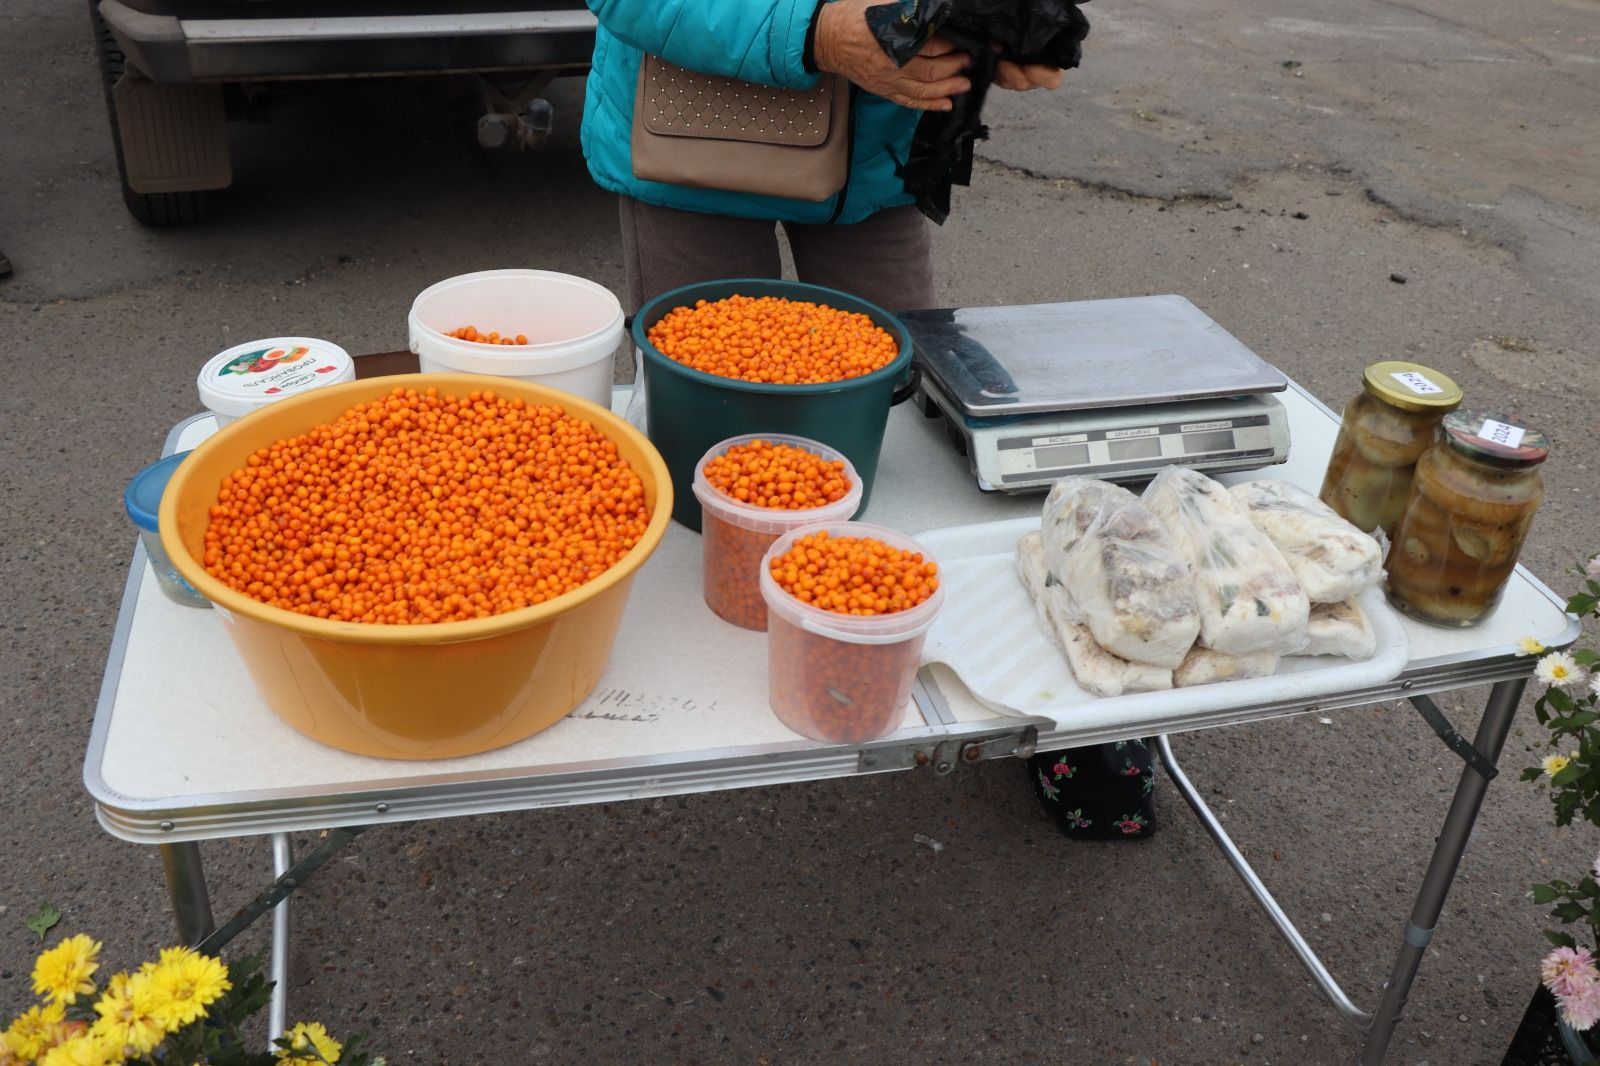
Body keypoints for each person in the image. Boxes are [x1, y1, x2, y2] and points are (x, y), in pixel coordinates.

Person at [579, 0, 1064, 315]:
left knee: (900, 411)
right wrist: (817, 34)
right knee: (711, 416)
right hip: (694, 160)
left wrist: (998, 28)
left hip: (877, 166)